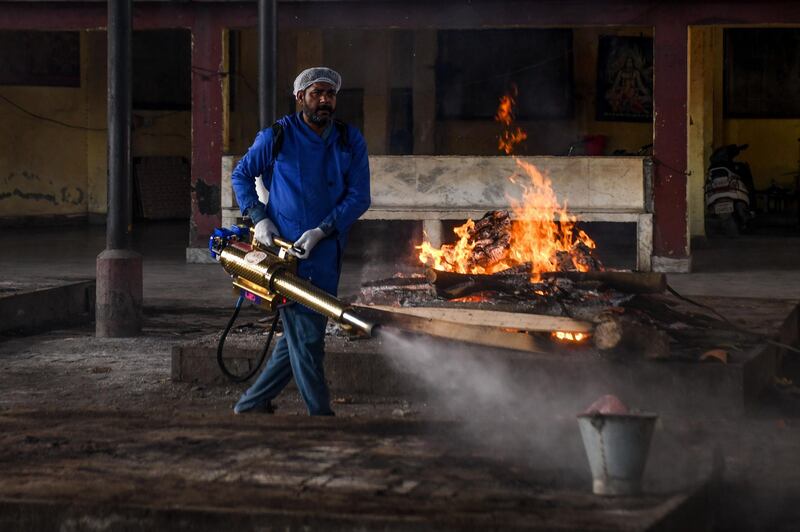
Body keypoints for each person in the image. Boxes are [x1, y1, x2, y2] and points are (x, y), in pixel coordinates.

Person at [230, 67, 371, 416]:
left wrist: (323, 230)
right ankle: (320, 416)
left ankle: (251, 404)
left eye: (330, 94)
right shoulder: (277, 135)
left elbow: (359, 196)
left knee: (301, 334)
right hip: (283, 254)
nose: (324, 100)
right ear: (299, 98)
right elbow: (241, 175)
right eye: (316, 93)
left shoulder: (349, 139)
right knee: (307, 337)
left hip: (326, 252)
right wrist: (259, 217)